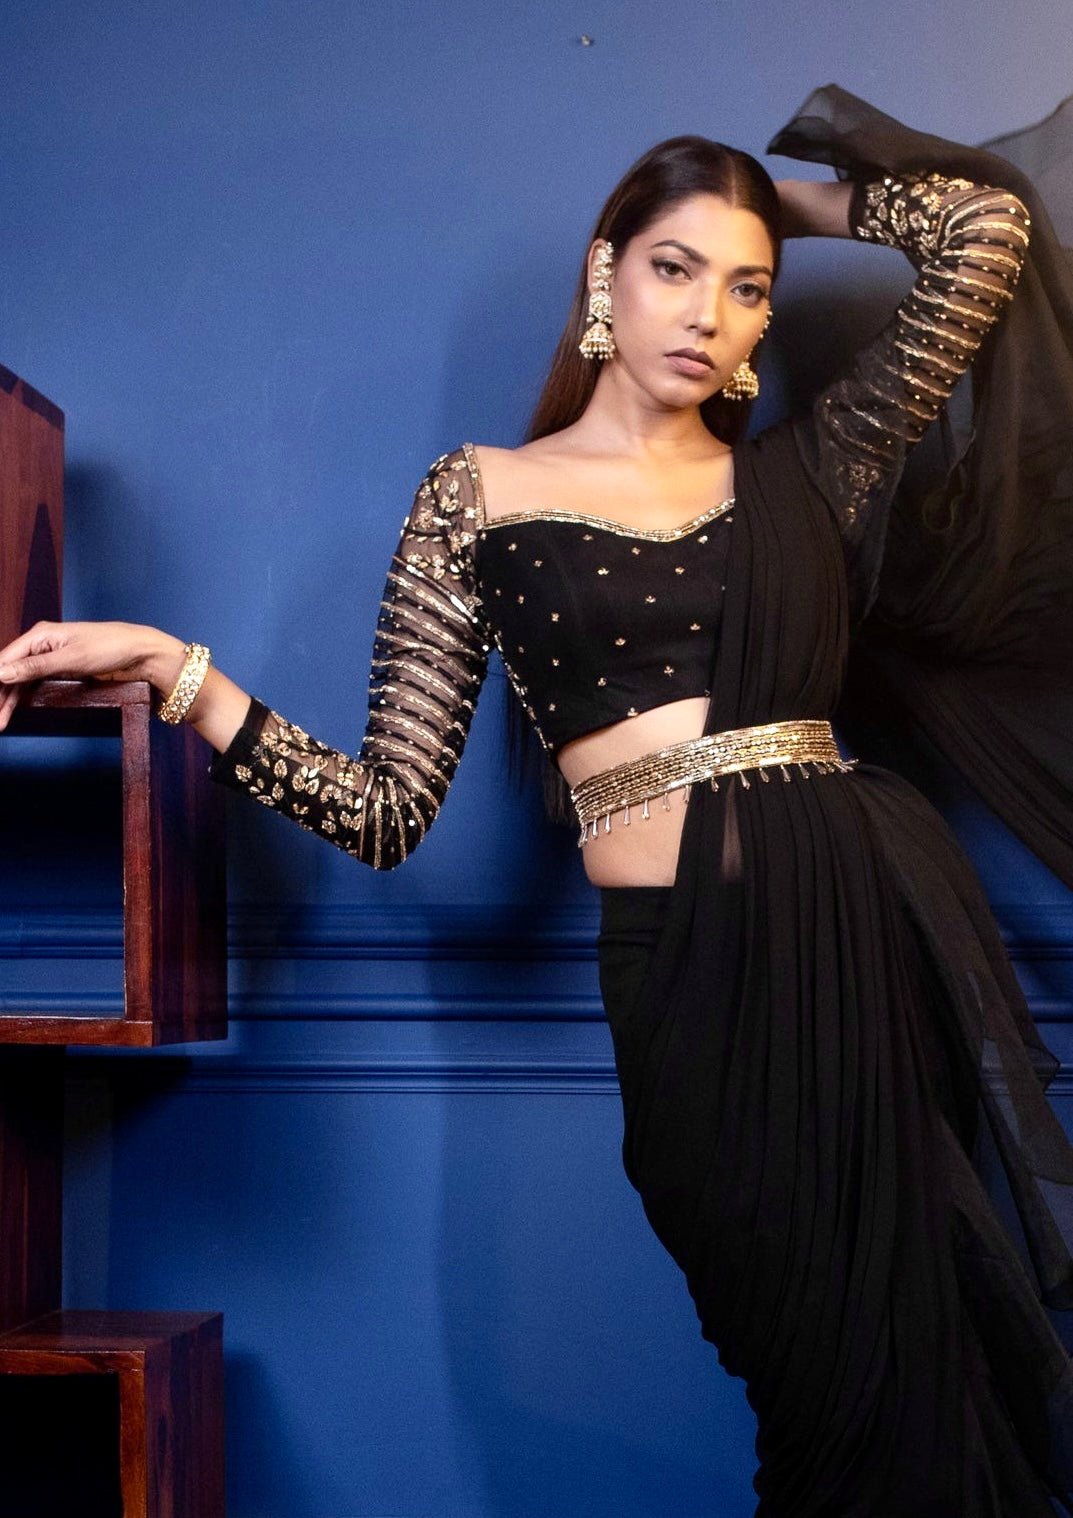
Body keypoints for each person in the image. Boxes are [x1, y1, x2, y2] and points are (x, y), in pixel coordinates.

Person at [2, 83, 1073, 1514]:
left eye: (748, 288)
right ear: (604, 273)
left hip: (848, 945)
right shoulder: (477, 499)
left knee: (903, 1387)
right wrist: (178, 671)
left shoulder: (817, 470)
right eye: (674, 267)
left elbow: (987, 230)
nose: (708, 313)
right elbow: (383, 809)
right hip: (681, 985)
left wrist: (782, 200)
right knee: (804, 1377)